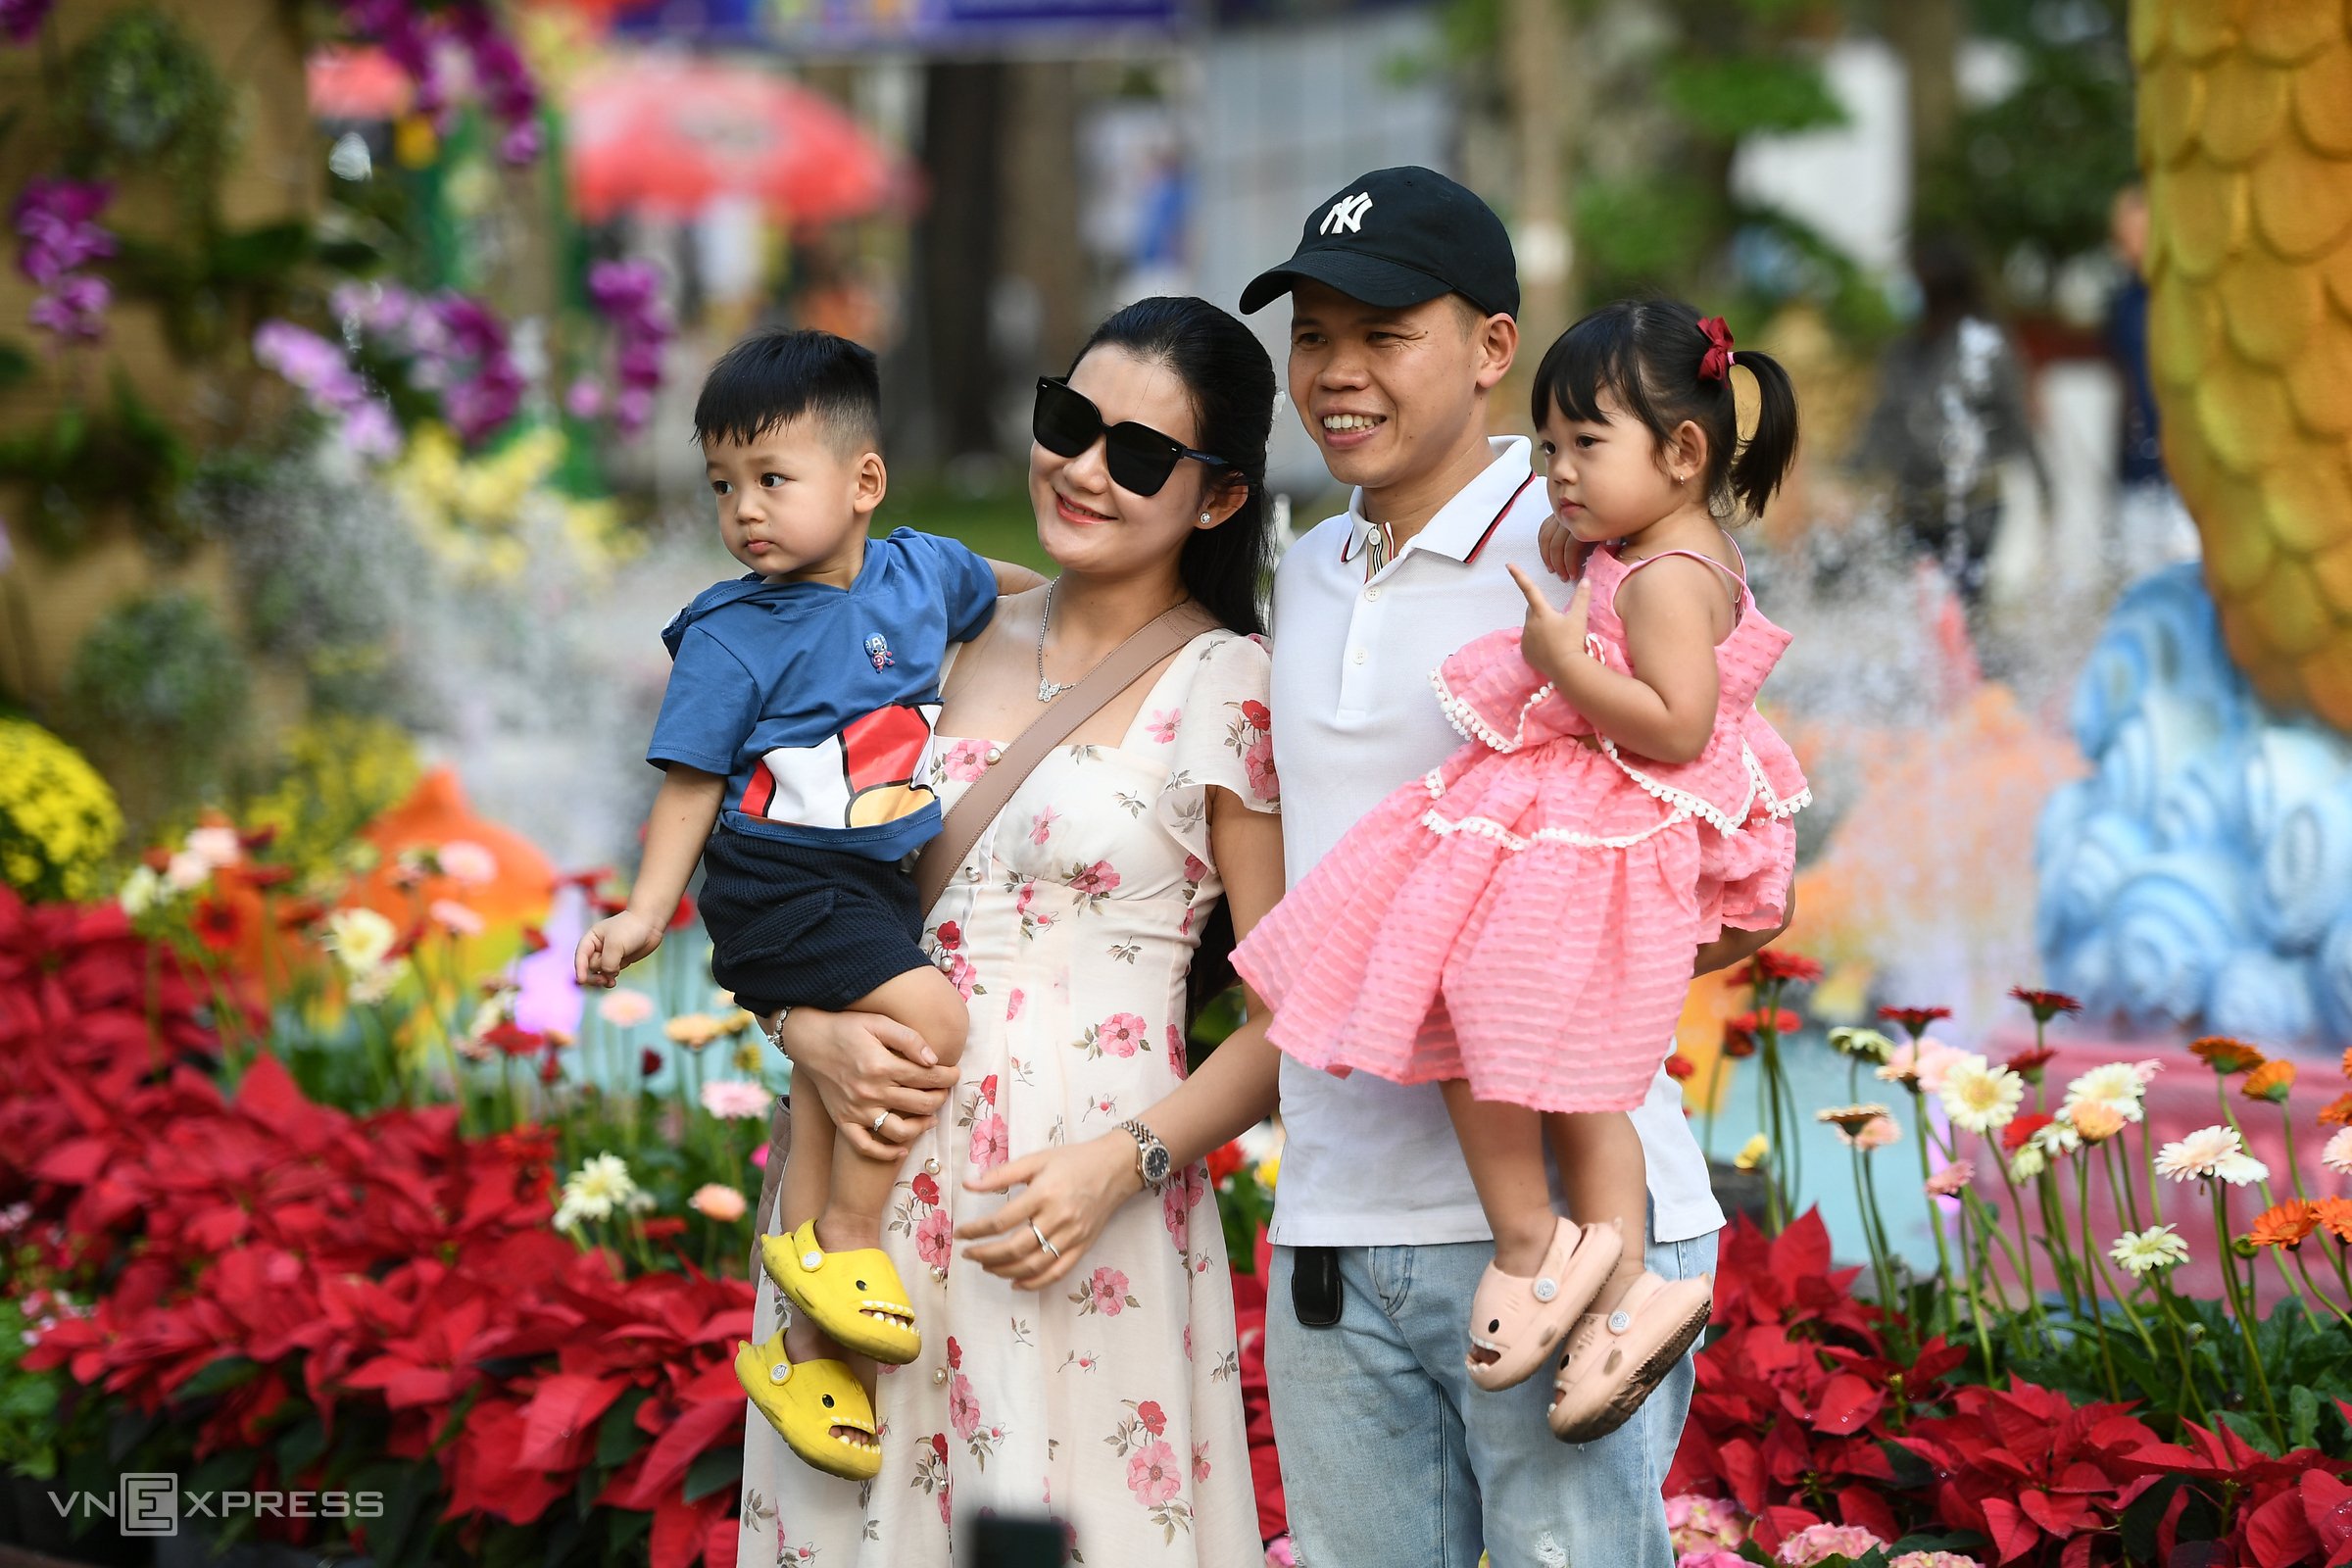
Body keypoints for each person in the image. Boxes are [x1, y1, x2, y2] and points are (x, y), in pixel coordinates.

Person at [1237, 167, 1784, 1568]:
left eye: (1382, 334)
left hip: (1572, 1242)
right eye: (1312, 338)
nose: (1337, 373)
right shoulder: (1301, 575)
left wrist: (1523, 969)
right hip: (1333, 1236)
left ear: (1492, 347)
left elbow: (1717, 856)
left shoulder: (1587, 556)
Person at [736, 296, 1286, 1565]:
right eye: (1069, 422)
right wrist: (808, 1027)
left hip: (1070, 1215)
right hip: (860, 1198)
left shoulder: (1226, 687)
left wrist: (1124, 1165)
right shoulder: (940, 630)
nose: (1084, 468)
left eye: (1140, 455)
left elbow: (1287, 1021)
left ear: (1216, 501)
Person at [570, 328, 1039, 1481]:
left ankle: (806, 1357)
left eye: (772, 479)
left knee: (850, 1067)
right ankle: (844, 1239)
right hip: (775, 881)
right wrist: (643, 915)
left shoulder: (924, 572)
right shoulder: (730, 634)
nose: (745, 512)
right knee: (928, 1021)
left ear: (863, 481)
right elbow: (688, 787)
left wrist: (1109, 613)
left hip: (865, 879)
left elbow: (1034, 595)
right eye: (724, 485)